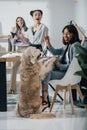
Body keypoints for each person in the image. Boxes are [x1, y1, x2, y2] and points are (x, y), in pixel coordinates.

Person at [41, 24, 81, 110]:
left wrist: (60, 65)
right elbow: (55, 51)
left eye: (67, 34)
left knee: (46, 73)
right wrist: (48, 43)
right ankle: (45, 98)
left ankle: (45, 99)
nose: (65, 36)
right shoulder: (67, 46)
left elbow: (75, 65)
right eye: (64, 34)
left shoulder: (75, 46)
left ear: (73, 34)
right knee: (44, 71)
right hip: (64, 72)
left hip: (70, 74)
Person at [8, 17, 29, 94]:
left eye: (21, 20)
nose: (20, 22)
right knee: (14, 67)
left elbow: (29, 42)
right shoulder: (16, 31)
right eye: (18, 21)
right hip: (18, 50)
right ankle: (12, 89)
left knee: (25, 69)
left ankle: (26, 89)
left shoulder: (28, 30)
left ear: (23, 21)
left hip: (26, 50)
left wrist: (22, 37)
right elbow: (13, 43)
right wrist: (14, 39)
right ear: (16, 23)